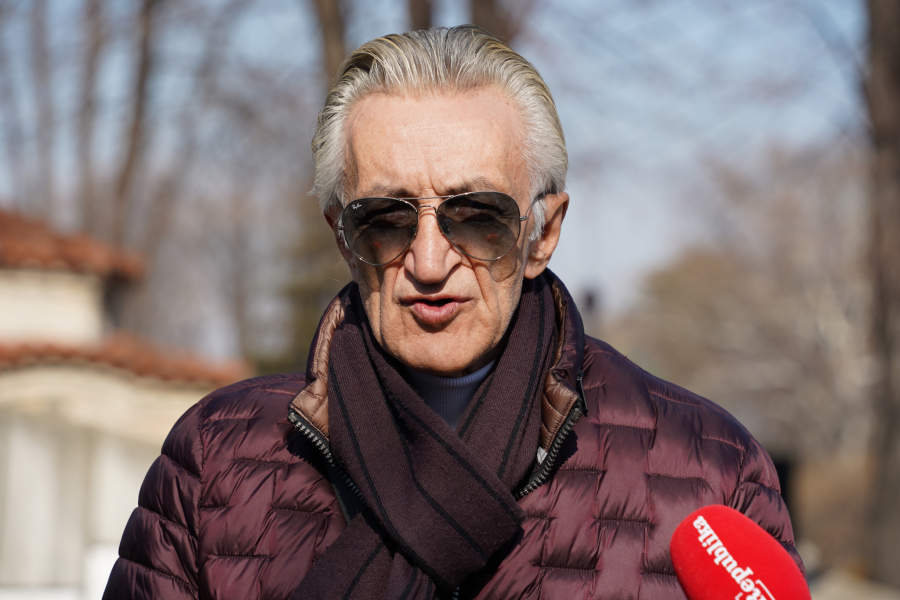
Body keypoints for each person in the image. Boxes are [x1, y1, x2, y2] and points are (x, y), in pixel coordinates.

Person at [104, 25, 803, 600]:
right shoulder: (216, 460)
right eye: (385, 218)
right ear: (343, 238)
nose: (430, 261)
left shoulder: (710, 471)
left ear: (543, 233)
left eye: (477, 216)